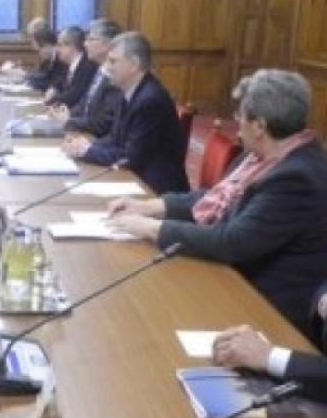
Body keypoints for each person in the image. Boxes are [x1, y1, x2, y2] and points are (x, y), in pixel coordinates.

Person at [107, 69, 327, 337]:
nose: (236, 121)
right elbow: (213, 197)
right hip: (234, 277)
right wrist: (150, 207)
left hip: (267, 310)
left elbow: (234, 242)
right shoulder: (260, 156)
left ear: (259, 126)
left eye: (240, 115)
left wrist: (151, 228)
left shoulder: (295, 177)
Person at [61, 31, 189, 195]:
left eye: (113, 61)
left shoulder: (150, 100)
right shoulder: (127, 91)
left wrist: (87, 151)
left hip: (154, 188)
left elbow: (131, 158)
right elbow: (115, 138)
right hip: (134, 177)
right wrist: (88, 145)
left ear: (134, 64)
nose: (106, 67)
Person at [51, 18, 122, 138]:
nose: (85, 44)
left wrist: (70, 120)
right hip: (83, 134)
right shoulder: (100, 69)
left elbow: (102, 123)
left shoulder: (115, 76)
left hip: (95, 139)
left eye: (90, 39)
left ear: (107, 45)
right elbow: (84, 103)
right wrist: (66, 113)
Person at [45, 26, 97, 108]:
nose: (57, 50)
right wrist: (54, 88)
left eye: (60, 45)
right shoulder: (66, 64)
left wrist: (48, 101)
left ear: (72, 47)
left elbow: (73, 96)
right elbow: (60, 82)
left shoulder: (87, 66)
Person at [24, 23, 67, 92]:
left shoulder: (62, 60)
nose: (39, 54)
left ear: (47, 46)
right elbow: (41, 77)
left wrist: (26, 76)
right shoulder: (47, 61)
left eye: (39, 50)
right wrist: (26, 76)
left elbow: (52, 83)